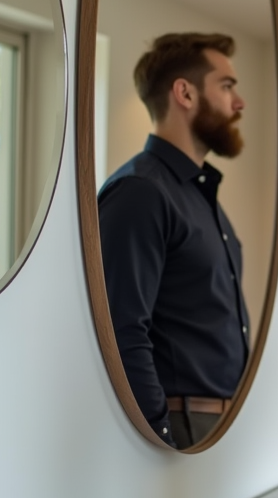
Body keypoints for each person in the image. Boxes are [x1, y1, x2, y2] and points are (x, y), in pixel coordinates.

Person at [98, 32, 250, 449]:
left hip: (220, 424)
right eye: (227, 86)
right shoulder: (140, 192)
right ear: (184, 92)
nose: (239, 103)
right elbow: (122, 328)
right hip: (180, 428)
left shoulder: (200, 197)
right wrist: (159, 435)